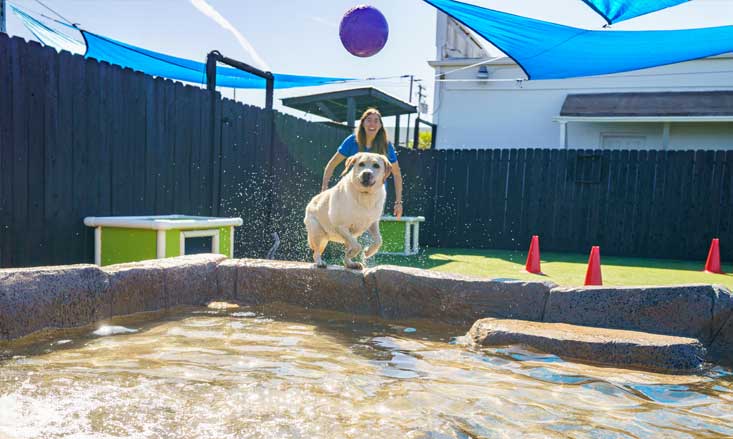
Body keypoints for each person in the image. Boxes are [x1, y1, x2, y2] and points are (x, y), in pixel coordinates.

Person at [321, 108, 403, 219]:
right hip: (351, 192)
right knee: (347, 227)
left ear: (380, 126)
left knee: (367, 230)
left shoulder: (386, 146)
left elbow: (397, 174)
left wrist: (398, 203)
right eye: (368, 120)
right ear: (363, 123)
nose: (372, 124)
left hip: (375, 196)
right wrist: (324, 189)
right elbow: (331, 165)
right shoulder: (352, 141)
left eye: (376, 121)